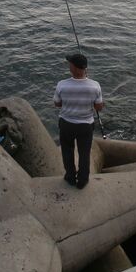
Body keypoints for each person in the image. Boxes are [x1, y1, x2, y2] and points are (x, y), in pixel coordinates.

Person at [54, 53, 103, 188]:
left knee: (67, 151)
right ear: (85, 68)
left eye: (70, 63)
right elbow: (98, 107)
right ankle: (82, 181)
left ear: (74, 68)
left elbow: (57, 104)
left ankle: (70, 177)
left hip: (66, 124)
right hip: (85, 126)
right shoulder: (95, 85)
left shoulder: (62, 85)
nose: (69, 65)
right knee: (84, 153)